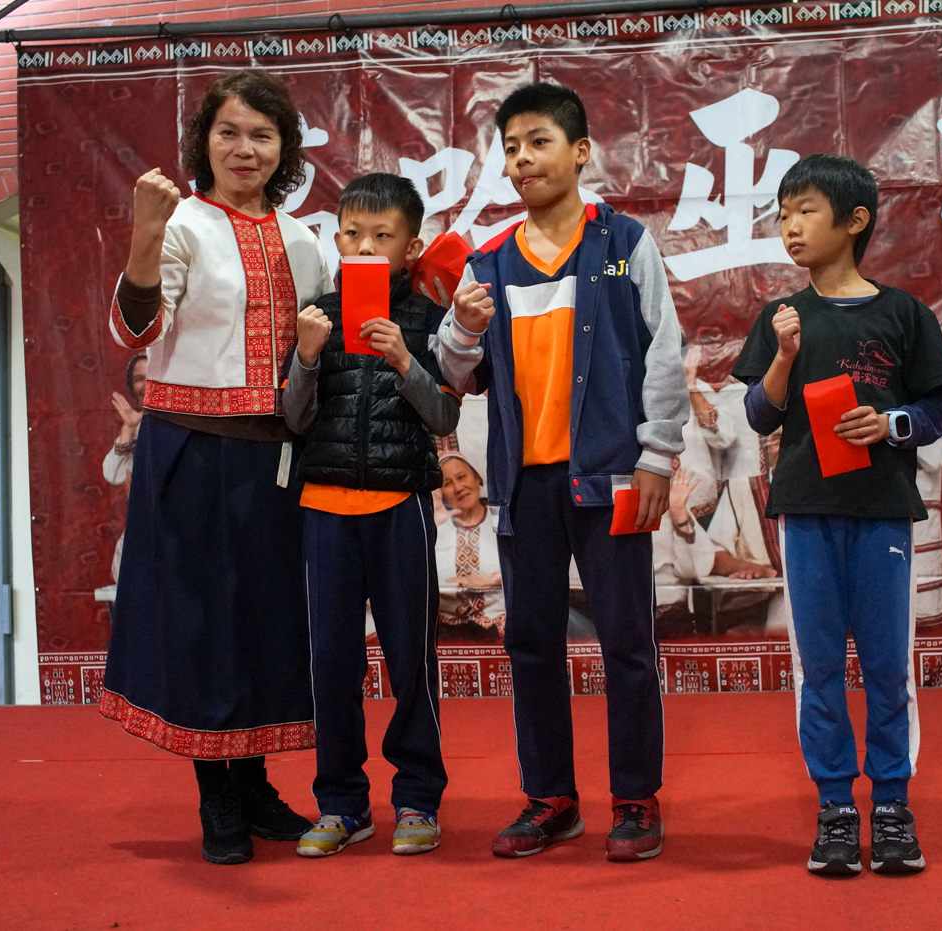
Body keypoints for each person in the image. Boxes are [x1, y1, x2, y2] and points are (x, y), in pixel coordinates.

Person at [436, 82, 688, 861]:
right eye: (510, 147)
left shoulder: (623, 243)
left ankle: (636, 799)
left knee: (626, 644)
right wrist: (464, 326)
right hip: (523, 489)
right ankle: (550, 798)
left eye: (538, 141)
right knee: (534, 644)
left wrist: (657, 456)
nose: (522, 159)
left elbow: (665, 356)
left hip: (611, 479)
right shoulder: (489, 260)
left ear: (580, 152)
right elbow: (453, 372)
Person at [100, 69, 333, 866]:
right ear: (204, 139)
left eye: (263, 135)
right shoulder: (181, 225)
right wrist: (141, 232)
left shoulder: (307, 242)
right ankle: (217, 796)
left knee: (270, 622)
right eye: (230, 132)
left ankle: (258, 782)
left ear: (284, 149)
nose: (245, 148)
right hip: (191, 449)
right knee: (202, 624)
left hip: (276, 456)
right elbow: (135, 331)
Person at [731, 154, 942, 876]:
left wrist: (889, 424)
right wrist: (783, 357)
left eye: (805, 211)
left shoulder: (903, 313)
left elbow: (939, 408)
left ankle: (891, 804)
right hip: (806, 512)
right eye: (783, 213)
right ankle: (835, 806)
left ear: (854, 221)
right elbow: (759, 412)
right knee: (819, 665)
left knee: (889, 666)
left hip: (884, 513)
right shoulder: (781, 316)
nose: (791, 227)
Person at [282, 172, 459, 859]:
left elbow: (444, 415)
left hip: (400, 507)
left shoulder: (427, 317)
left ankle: (417, 797)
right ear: (335, 239)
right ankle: (341, 804)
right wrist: (304, 355)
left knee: (411, 660)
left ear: (410, 246)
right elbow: (292, 418)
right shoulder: (317, 315)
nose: (364, 246)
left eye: (381, 236)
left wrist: (404, 359)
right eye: (352, 233)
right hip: (324, 509)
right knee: (330, 663)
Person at [435, 451, 505, 638]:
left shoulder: (503, 521)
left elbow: (531, 566)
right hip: (448, 635)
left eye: (461, 477)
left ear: (477, 479)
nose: (458, 488)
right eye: (447, 484)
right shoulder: (435, 530)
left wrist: (491, 579)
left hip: (502, 631)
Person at [103, 354, 146, 581]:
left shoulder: (183, 423)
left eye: (152, 376)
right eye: (139, 379)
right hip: (142, 529)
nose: (146, 385)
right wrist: (129, 428)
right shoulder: (137, 427)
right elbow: (113, 473)